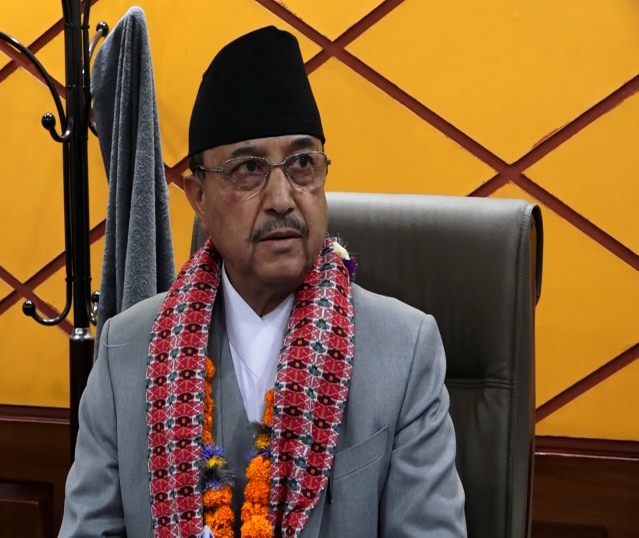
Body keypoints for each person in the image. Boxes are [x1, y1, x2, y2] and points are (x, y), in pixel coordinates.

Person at [60, 26, 466, 538]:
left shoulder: (404, 351)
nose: (281, 198)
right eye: (249, 169)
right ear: (198, 196)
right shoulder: (126, 350)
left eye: (302, 165)